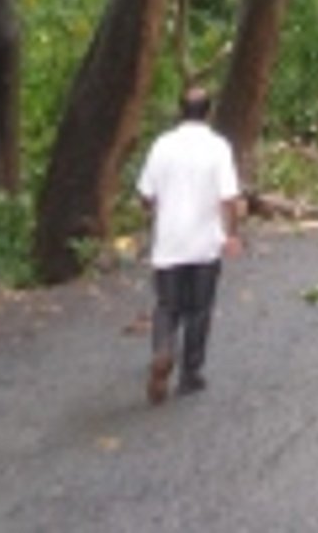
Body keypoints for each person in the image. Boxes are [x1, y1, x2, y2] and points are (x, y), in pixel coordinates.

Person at [136, 86, 242, 405]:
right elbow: (229, 198)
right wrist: (231, 234)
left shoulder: (162, 146)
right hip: (205, 243)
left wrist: (156, 211)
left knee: (167, 306)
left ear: (180, 111)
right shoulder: (218, 147)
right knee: (199, 309)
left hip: (169, 241)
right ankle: (190, 374)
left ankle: (163, 350)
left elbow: (145, 194)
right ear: (208, 112)